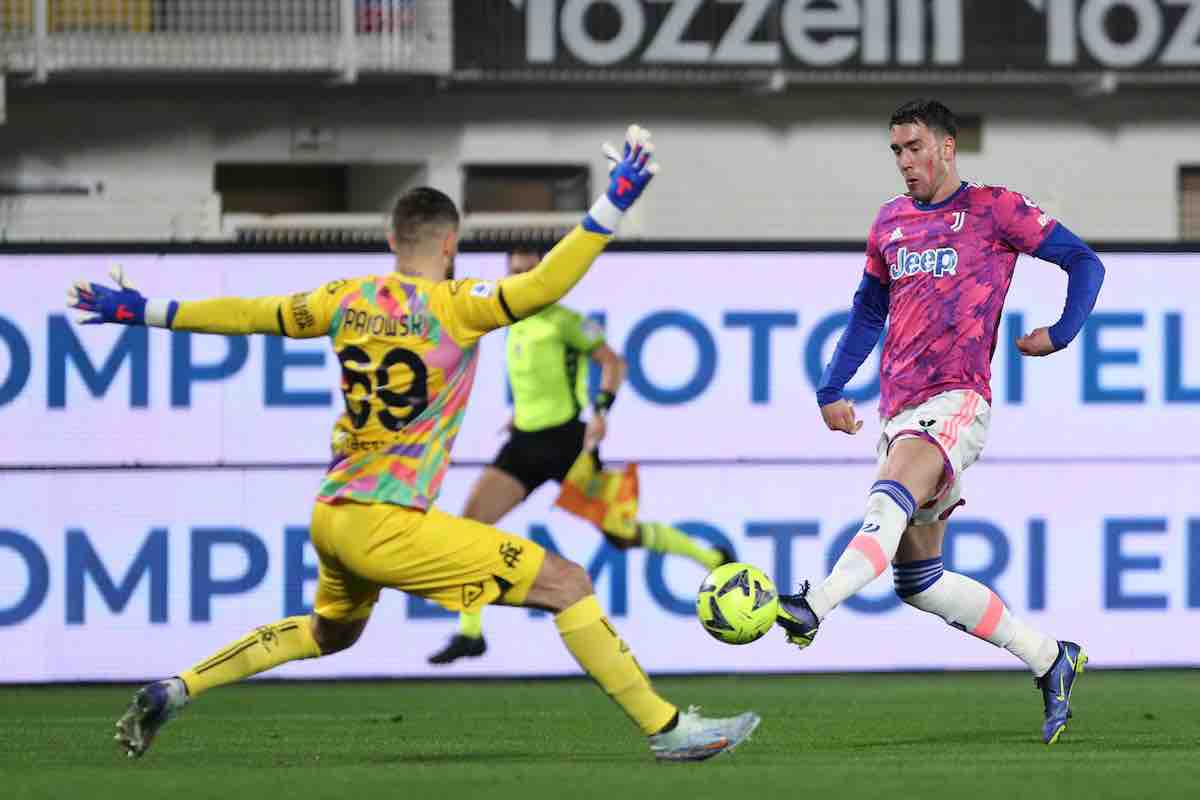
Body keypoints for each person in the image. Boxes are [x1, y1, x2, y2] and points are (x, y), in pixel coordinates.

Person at [69, 125, 759, 762]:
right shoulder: (456, 307)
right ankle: (668, 730)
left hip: (334, 515)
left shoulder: (345, 297)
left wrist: (144, 310)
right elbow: (548, 282)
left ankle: (178, 688)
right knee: (566, 582)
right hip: (390, 522)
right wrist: (614, 205)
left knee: (326, 632)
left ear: (394, 240)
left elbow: (248, 315)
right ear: (449, 244)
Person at [775, 99, 1105, 745]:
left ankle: (813, 606)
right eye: (896, 150)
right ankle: (1049, 657)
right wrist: (831, 385)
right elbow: (869, 311)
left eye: (914, 147)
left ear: (947, 147)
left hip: (957, 401)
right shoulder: (889, 223)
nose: (904, 162)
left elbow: (1085, 263)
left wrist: (1061, 334)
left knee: (890, 493)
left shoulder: (994, 208)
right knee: (918, 582)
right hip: (899, 407)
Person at [429, 246, 732, 665]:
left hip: (567, 444)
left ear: (543, 273)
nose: (520, 279)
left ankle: (711, 558)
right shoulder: (511, 323)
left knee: (620, 535)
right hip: (523, 445)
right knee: (469, 528)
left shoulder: (567, 321)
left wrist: (601, 411)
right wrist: (519, 414)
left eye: (528, 271)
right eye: (514, 272)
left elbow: (614, 364)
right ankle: (470, 632)